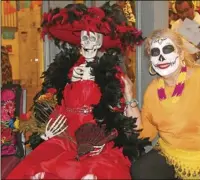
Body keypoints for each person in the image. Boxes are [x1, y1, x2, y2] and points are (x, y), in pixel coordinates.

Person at [6, 3, 150, 179]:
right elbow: (53, 105)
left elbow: (132, 124)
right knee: (36, 171)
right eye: (84, 37)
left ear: (100, 42)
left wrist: (108, 137)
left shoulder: (113, 74)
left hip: (98, 142)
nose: (87, 42)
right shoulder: (67, 71)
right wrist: (45, 131)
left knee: (90, 174)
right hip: (64, 138)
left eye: (92, 37)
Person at [122, 29, 200, 179]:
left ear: (181, 53)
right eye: (155, 52)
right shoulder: (153, 90)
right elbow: (144, 134)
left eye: (167, 49)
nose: (161, 57)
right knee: (141, 170)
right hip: (170, 154)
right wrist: (129, 97)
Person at [171, 0, 200, 66]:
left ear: (192, 7)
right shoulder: (175, 26)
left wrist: (195, 56)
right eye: (180, 12)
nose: (184, 15)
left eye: (186, 10)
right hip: (182, 66)